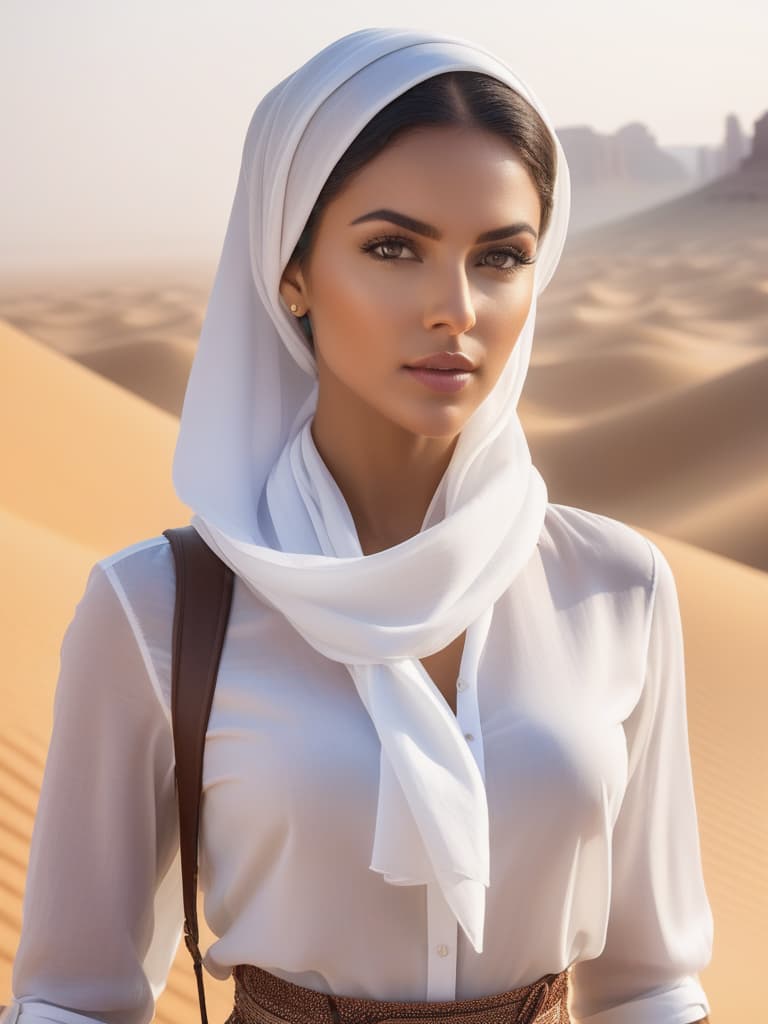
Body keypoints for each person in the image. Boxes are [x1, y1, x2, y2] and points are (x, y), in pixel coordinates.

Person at [2, 26, 713, 1024]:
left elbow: (648, 985)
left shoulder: (618, 587)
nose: (454, 308)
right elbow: (73, 1001)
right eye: (393, 248)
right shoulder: (156, 608)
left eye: (501, 256)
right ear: (289, 271)